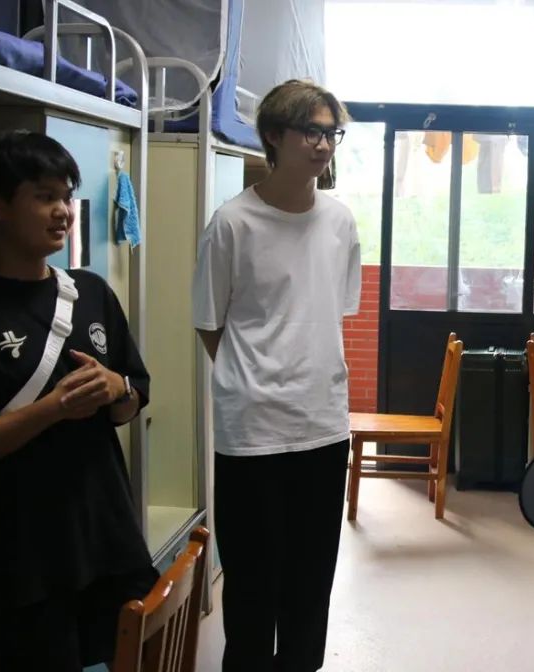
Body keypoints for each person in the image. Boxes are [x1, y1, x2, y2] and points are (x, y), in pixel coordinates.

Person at [0, 130, 156, 671]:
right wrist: (52, 409)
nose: (63, 211)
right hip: (17, 556)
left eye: (67, 196)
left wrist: (117, 389)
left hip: (105, 538)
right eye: (44, 196)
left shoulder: (91, 292)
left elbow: (133, 399)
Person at [192, 79, 361, 672]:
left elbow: (331, 313)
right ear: (273, 136)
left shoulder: (339, 222)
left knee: (311, 580)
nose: (323, 144)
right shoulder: (232, 223)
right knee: (251, 581)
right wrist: (252, 379)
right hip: (252, 432)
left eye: (332, 133)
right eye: (310, 131)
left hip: (323, 425)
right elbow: (209, 322)